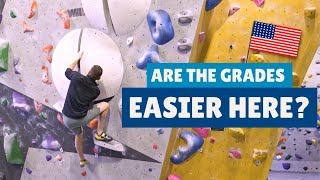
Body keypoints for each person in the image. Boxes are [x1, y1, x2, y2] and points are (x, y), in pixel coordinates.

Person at [62, 51, 112, 167]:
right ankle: (99, 133)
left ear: (89, 71)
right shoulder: (96, 91)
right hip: (79, 119)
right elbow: (90, 103)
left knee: (78, 134)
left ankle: (82, 159)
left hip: (66, 119)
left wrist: (77, 58)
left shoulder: (75, 77)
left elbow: (67, 71)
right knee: (105, 105)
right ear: (99, 78)